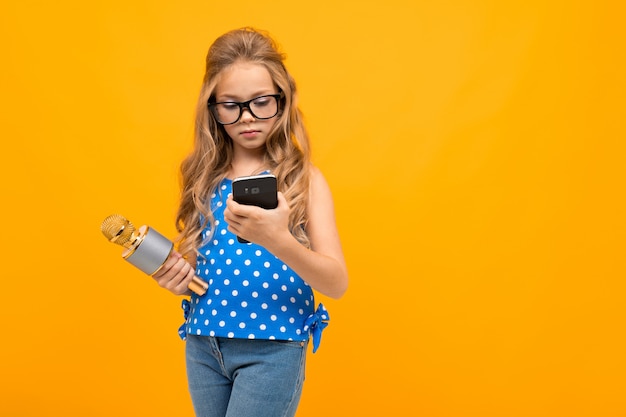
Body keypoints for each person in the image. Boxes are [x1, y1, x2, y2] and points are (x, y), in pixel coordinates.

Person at [151, 27, 348, 417]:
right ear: (212, 107)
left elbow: (336, 282)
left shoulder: (302, 179)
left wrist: (278, 240)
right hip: (204, 345)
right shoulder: (201, 175)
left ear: (283, 98)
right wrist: (174, 275)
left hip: (273, 347)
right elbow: (198, 265)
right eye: (231, 104)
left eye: (261, 102)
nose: (247, 117)